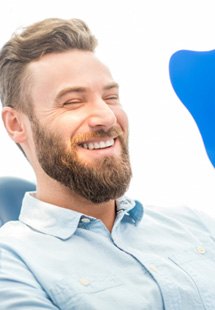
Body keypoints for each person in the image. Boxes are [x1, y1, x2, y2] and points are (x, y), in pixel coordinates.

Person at [0, 18, 215, 310]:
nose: (107, 116)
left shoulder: (196, 225)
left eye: (111, 97)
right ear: (16, 124)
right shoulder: (11, 263)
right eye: (73, 102)